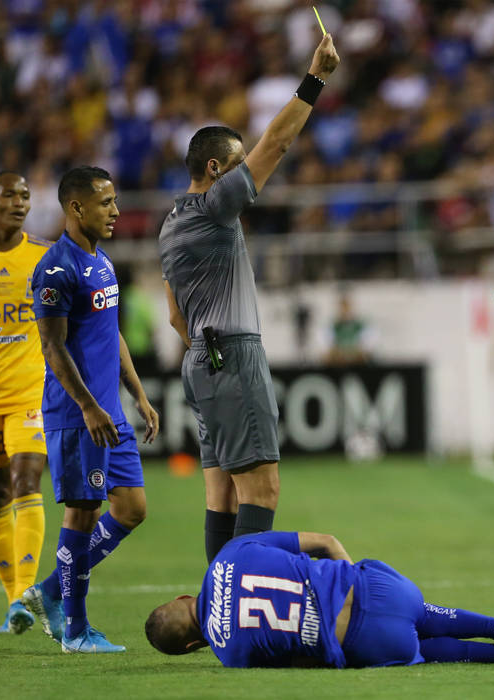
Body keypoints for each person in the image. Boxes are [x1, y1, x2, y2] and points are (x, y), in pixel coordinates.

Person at [158, 34, 340, 562]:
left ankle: (216, 604)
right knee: (261, 493)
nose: (247, 174)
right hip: (233, 355)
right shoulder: (215, 207)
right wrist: (316, 79)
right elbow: (277, 144)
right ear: (216, 170)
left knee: (221, 494)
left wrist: (205, 350)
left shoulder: (169, 227)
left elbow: (174, 314)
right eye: (237, 165)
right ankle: (238, 607)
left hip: (200, 361)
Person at [21, 166, 159, 653]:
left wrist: (137, 393)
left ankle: (48, 592)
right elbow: (52, 348)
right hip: (80, 416)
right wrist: (87, 407)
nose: (116, 211)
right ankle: (75, 633)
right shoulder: (57, 269)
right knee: (83, 514)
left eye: (116, 200)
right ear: (76, 208)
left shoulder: (101, 261)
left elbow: (111, 332)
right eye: (106, 203)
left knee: (132, 509)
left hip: (110, 412)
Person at [144, 531, 494, 667]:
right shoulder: (228, 554)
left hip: (362, 640)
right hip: (375, 587)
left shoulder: (230, 655)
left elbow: (300, 660)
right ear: (183, 596)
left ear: (191, 646)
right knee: (423, 611)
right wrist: (359, 581)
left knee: (424, 650)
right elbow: (325, 541)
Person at [0, 171, 50, 634]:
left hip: (29, 395)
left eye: (25, 195)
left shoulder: (44, 256)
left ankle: (26, 592)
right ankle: (14, 604)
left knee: (27, 479)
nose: (19, 202)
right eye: (9, 194)